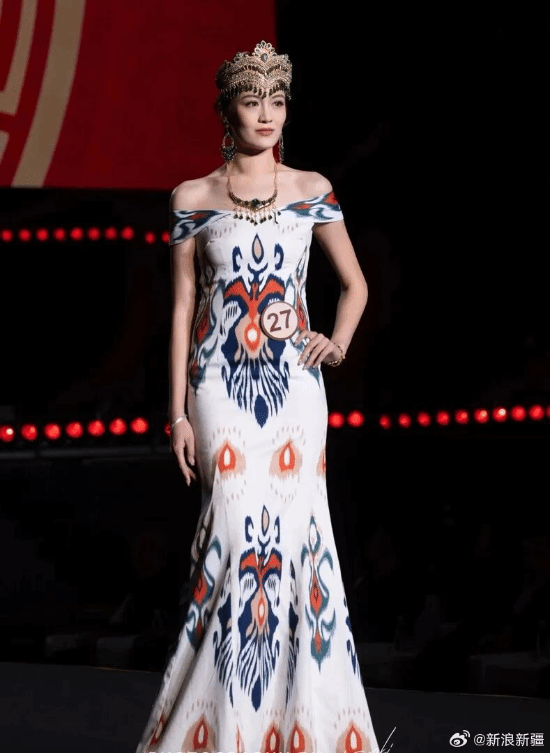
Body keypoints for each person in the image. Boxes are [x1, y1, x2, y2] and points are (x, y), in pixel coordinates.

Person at [134, 40, 380, 753]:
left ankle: (302, 726)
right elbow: (183, 308)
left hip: (295, 391)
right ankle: (219, 726)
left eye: (276, 101)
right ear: (227, 111)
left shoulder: (311, 187)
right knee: (235, 540)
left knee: (299, 545)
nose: (266, 114)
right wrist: (176, 413)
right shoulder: (191, 198)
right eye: (252, 101)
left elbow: (355, 284)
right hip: (218, 387)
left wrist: (337, 341)